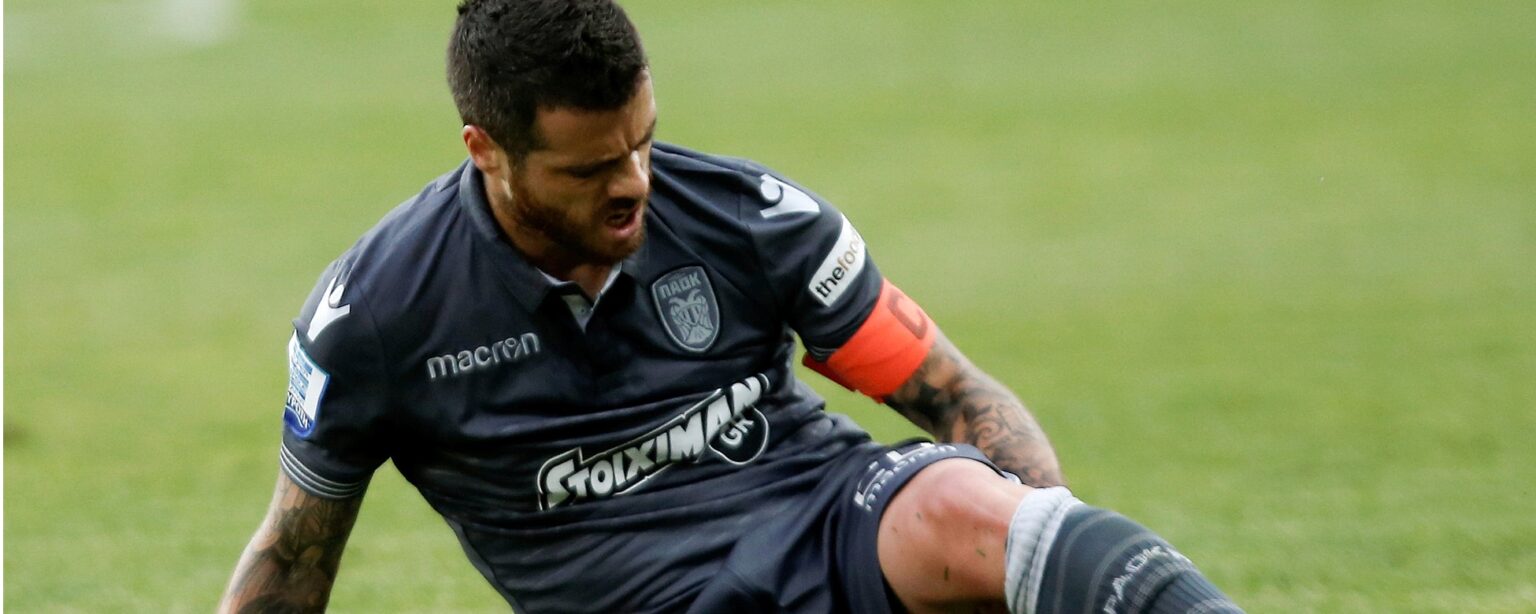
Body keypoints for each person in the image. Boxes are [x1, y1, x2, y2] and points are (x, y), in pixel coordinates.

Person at [220, 1, 1243, 612]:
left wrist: (1038, 566)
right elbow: (293, 558)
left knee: (965, 508)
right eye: (589, 169)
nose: (633, 184)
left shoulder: (751, 218)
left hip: (824, 524)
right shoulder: (377, 320)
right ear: (486, 150)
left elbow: (957, 398)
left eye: (643, 141)